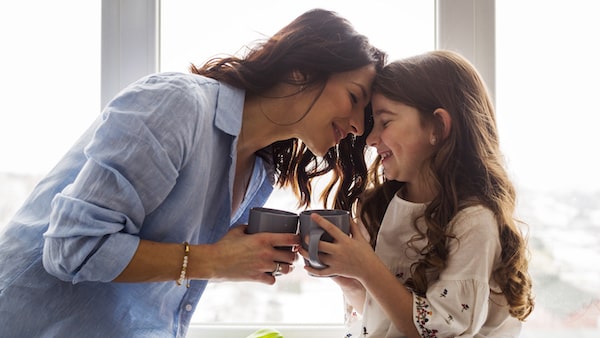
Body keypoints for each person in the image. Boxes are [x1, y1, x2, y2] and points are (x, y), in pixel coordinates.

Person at [0, 8, 385, 337]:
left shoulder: (259, 175)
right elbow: (72, 248)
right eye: (354, 98)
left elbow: (167, 269)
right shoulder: (178, 105)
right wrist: (214, 260)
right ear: (302, 70)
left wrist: (236, 261)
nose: (356, 126)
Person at [301, 50, 535, 337]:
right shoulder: (381, 208)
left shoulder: (473, 223)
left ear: (437, 126)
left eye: (385, 123)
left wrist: (367, 268)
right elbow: (387, 318)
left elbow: (438, 331)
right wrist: (349, 279)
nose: (372, 139)